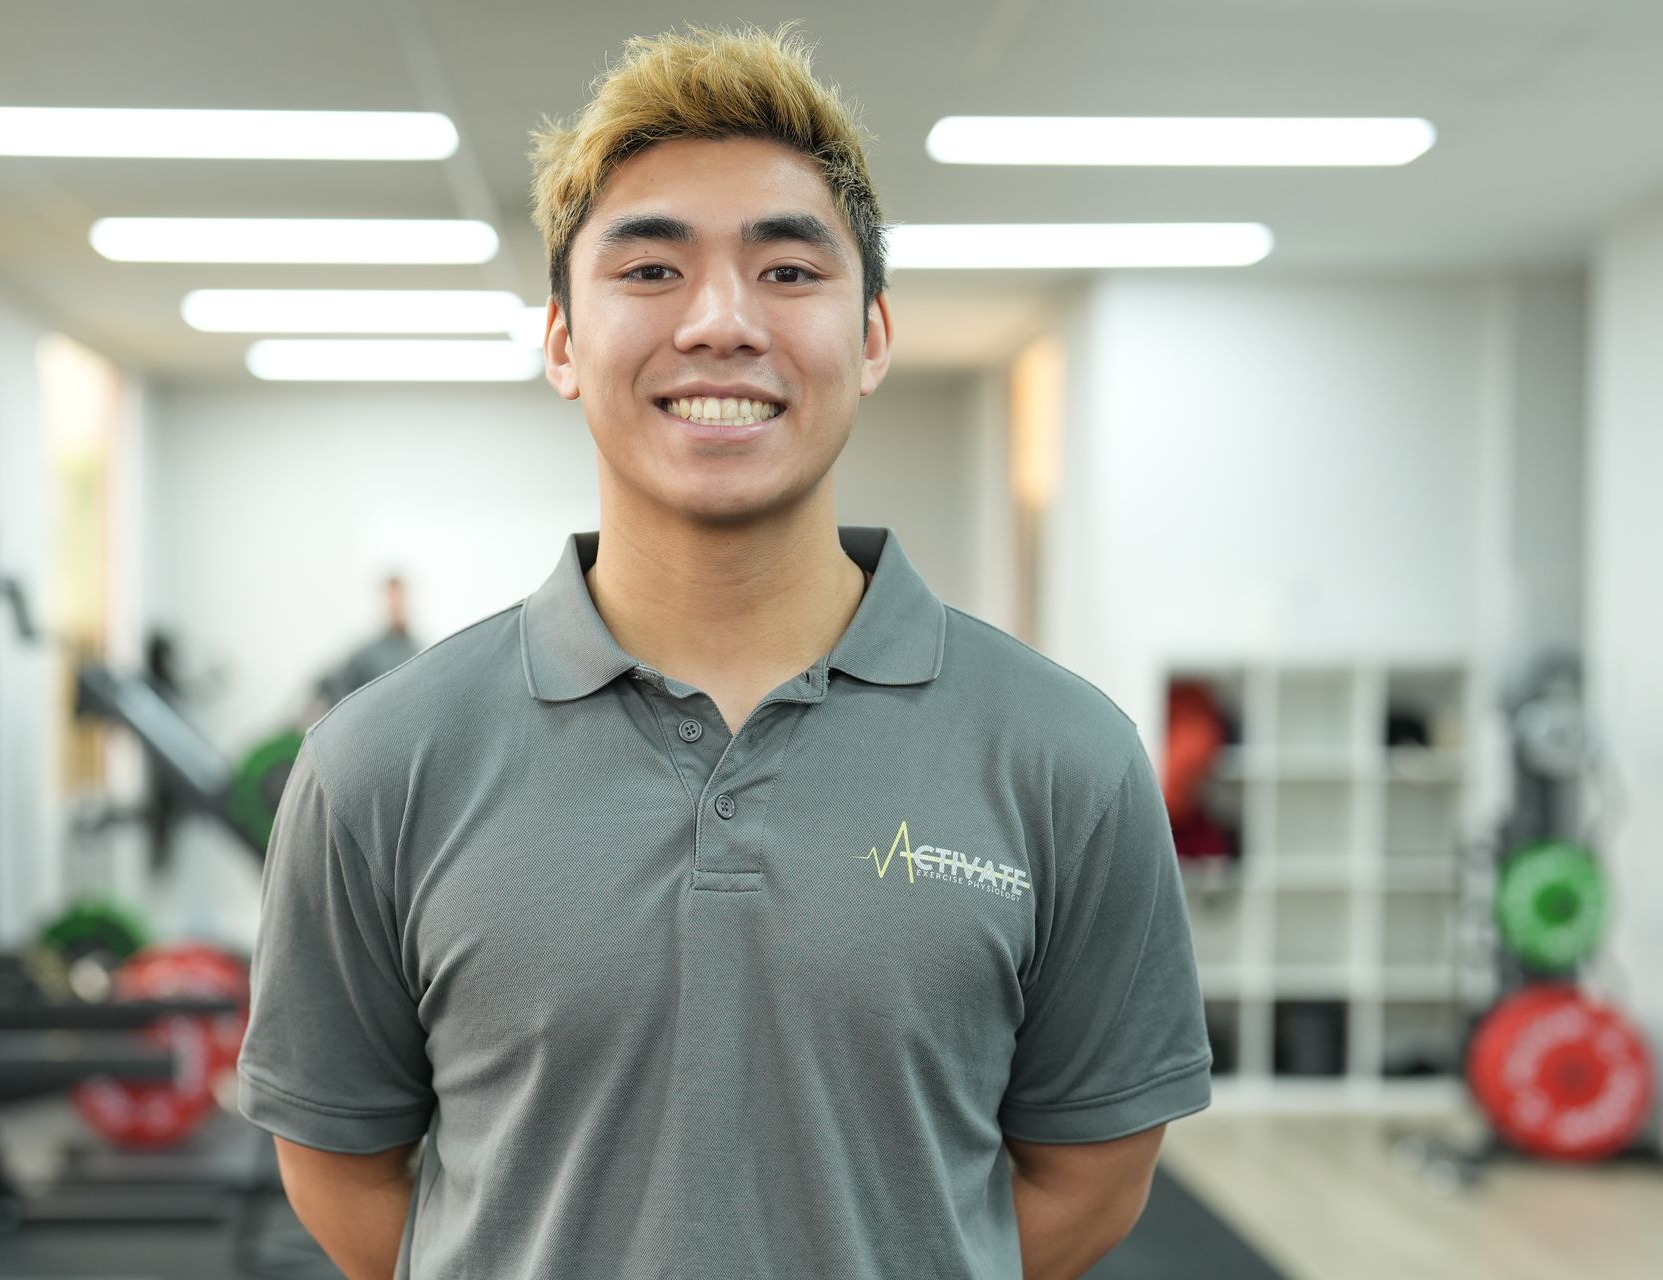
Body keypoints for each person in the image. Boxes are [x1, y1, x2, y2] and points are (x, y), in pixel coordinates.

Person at [237, 24, 1211, 1280]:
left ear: (872, 336)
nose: (720, 321)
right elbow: (342, 1171)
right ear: (562, 340)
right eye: (650, 268)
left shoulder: (1068, 756)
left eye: (788, 270)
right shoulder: (378, 761)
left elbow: (1091, 1178)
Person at [306, 573, 421, 718]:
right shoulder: (368, 655)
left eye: (400, 598)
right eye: (392, 598)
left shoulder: (418, 652)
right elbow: (331, 684)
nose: (396, 605)